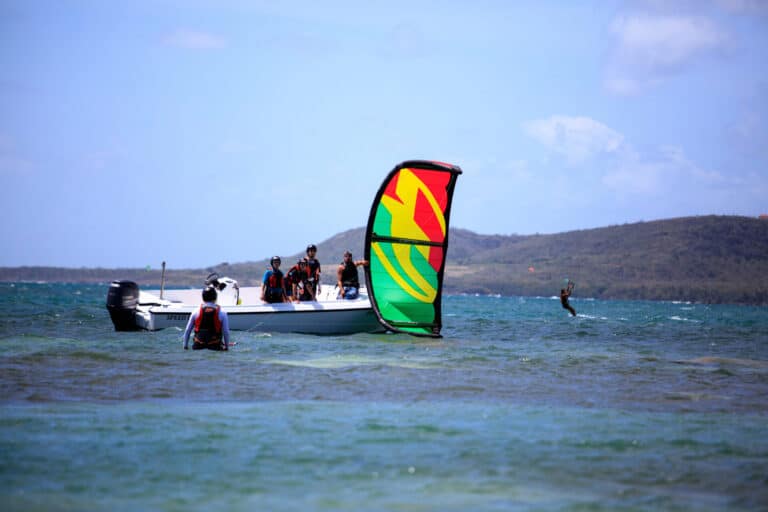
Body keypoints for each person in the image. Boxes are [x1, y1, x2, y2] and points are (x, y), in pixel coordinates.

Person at [183, 286, 230, 350]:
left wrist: (185, 346)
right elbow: (226, 332)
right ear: (215, 297)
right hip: (215, 346)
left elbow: (187, 330)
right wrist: (226, 347)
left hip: (198, 346)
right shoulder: (223, 313)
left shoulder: (195, 311)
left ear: (203, 298)